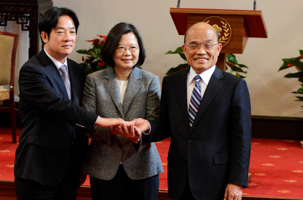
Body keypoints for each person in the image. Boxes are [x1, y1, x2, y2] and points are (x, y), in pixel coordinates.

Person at [131, 22, 252, 200]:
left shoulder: (234, 86)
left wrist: (236, 182)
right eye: (194, 45)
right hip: (181, 178)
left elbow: (242, 138)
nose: (201, 51)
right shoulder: (172, 82)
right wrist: (147, 127)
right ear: (185, 49)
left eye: (208, 45)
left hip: (216, 180)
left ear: (218, 48)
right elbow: (165, 124)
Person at [14, 7, 124, 200]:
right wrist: (101, 120)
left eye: (72, 31)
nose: (68, 37)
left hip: (70, 169)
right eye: (60, 31)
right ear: (45, 36)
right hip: (39, 168)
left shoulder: (76, 71)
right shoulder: (32, 70)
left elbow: (81, 113)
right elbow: (60, 106)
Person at [82, 22, 163, 200]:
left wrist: (140, 134)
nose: (128, 53)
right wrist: (111, 131)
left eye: (133, 47)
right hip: (104, 166)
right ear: (111, 50)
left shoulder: (150, 80)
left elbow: (155, 120)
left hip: (143, 165)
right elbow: (87, 122)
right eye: (121, 48)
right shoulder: (94, 80)